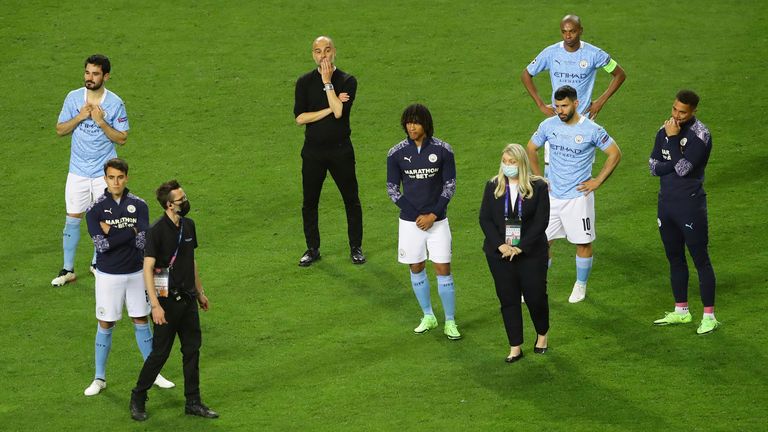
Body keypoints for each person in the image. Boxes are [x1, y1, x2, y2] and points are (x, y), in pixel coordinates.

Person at [83, 158, 174, 396]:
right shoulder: (94, 210)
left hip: (136, 273)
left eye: (120, 177)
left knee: (141, 320)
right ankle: (99, 378)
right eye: (111, 177)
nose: (116, 181)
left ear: (127, 178)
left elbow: (142, 240)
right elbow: (101, 246)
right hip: (108, 276)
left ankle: (154, 373)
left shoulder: (139, 205)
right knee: (106, 323)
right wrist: (130, 231)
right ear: (105, 179)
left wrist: (112, 230)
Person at [130, 180, 218, 421]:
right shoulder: (156, 232)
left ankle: (193, 401)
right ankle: (138, 396)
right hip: (166, 303)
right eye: (181, 199)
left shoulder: (188, 226)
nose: (185, 201)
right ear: (169, 205)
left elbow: (191, 260)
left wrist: (200, 292)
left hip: (188, 299)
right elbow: (147, 269)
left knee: (192, 350)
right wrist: (155, 305)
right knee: (160, 353)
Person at [526, 85, 621, 303]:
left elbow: (614, 153)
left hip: (579, 198)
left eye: (564, 106)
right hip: (552, 197)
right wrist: (540, 177)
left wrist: (597, 181)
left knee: (583, 243)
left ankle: (580, 285)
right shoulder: (548, 125)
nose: (559, 110)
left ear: (576, 104)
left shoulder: (592, 129)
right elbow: (531, 148)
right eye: (557, 106)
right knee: (541, 242)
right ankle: (537, 284)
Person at [53, 54, 130, 286]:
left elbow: (122, 138)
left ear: (105, 76)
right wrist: (80, 116)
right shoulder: (73, 98)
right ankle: (68, 269)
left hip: (102, 173)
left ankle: (97, 263)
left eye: (95, 73)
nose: (90, 77)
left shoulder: (115, 103)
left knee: (103, 220)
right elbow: (60, 129)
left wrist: (101, 122)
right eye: (87, 72)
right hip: (77, 171)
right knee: (72, 218)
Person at [386, 104, 461, 340]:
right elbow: (391, 189)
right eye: (408, 122)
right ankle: (428, 315)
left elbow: (450, 186)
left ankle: (450, 321)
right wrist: (415, 214)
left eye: (415, 122)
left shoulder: (443, 150)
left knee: (442, 268)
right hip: (410, 223)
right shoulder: (396, 153)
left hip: (437, 221)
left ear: (425, 125)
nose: (411, 126)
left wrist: (433, 215)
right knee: (416, 267)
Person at [521, 14, 626, 176]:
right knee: (551, 170)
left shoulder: (594, 54)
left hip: (583, 123)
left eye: (572, 31)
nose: (568, 36)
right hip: (559, 121)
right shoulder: (551, 53)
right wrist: (540, 104)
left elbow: (619, 74)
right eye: (564, 32)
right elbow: (526, 74)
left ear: (580, 31)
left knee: (580, 173)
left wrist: (600, 101)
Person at [649, 90, 719, 335]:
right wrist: (670, 145)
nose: (676, 116)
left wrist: (672, 141)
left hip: (690, 206)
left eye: (682, 112)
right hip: (666, 204)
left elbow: (682, 169)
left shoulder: (701, 135)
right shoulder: (664, 129)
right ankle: (681, 311)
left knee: (700, 260)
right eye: (675, 109)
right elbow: (653, 167)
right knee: (674, 258)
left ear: (693, 112)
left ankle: (709, 316)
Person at [293, 35, 365, 267]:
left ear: (334, 51)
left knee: (351, 200)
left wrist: (327, 83)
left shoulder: (347, 80)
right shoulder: (303, 82)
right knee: (310, 202)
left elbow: (339, 113)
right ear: (312, 54)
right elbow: (300, 118)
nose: (322, 55)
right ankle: (312, 249)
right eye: (317, 51)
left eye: (326, 50)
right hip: (313, 153)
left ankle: (356, 247)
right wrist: (329, 105)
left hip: (341, 152)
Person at [480, 144, 550, 362]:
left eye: (513, 162)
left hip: (530, 252)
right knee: (508, 299)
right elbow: (485, 219)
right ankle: (515, 346)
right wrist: (501, 245)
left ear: (522, 163)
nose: (508, 166)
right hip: (500, 254)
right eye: (505, 162)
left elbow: (541, 221)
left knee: (535, 296)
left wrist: (521, 247)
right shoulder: (493, 185)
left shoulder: (537, 186)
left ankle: (542, 334)